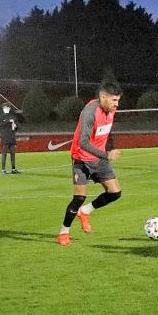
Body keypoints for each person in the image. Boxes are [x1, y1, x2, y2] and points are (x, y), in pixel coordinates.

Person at [57, 81, 123, 245]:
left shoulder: (111, 110)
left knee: (115, 193)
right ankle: (63, 232)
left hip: (99, 158)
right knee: (79, 197)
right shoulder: (89, 113)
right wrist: (106, 154)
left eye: (118, 100)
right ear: (103, 97)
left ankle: (85, 212)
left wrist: (107, 151)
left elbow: (106, 132)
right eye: (114, 100)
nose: (117, 104)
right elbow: (83, 142)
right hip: (82, 158)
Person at [0, 102, 23, 174]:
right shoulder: (0, 117)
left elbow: (17, 126)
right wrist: (8, 122)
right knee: (4, 154)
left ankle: (13, 169)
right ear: (3, 108)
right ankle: (3, 169)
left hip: (12, 137)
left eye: (7, 107)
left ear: (9, 108)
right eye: (5, 107)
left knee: (13, 154)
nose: (6, 109)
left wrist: (15, 126)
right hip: (5, 138)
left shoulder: (13, 116)